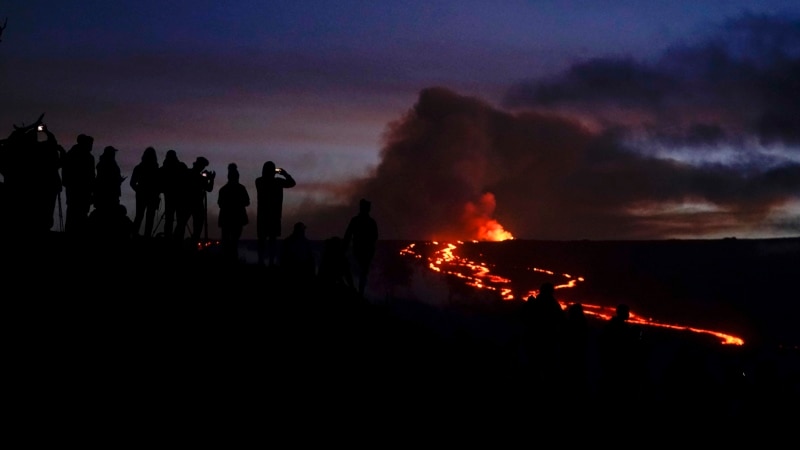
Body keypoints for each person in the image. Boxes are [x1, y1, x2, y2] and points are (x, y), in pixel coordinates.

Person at [255, 161, 295, 267]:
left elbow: (292, 184)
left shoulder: (259, 181)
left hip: (264, 215)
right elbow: (292, 183)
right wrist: (285, 174)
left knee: (263, 239)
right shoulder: (277, 182)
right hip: (273, 215)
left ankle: (262, 261)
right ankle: (270, 262)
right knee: (271, 240)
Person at [343, 198, 379, 297]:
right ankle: (359, 292)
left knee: (360, 272)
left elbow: (348, 235)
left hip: (360, 250)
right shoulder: (370, 222)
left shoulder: (357, 221)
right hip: (363, 251)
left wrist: (344, 248)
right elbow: (375, 237)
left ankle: (358, 292)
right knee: (361, 272)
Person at [174, 156, 214, 244]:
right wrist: (211, 179)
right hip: (194, 204)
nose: (203, 168)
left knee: (182, 225)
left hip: (188, 203)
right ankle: (190, 244)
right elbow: (209, 188)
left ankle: (178, 243)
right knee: (193, 227)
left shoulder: (187, 173)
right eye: (202, 166)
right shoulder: (198, 177)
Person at [62, 133, 96, 237]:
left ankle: (73, 232)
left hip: (76, 189)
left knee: (75, 211)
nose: (91, 146)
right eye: (90, 144)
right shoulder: (86, 157)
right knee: (78, 212)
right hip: (79, 190)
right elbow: (90, 176)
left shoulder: (72, 154)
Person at [217, 163, 250, 263]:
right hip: (237, 218)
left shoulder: (223, 189)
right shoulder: (241, 188)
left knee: (227, 241)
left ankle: (228, 260)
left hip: (227, 218)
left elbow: (220, 204)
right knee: (233, 241)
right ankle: (232, 260)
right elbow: (247, 202)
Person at [130, 146, 161, 238]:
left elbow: (132, 183)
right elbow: (159, 183)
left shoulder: (139, 167)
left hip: (142, 195)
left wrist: (139, 190)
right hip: (151, 195)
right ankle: (146, 236)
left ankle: (135, 235)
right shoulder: (156, 169)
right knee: (149, 216)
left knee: (139, 215)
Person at [158, 149, 187, 239]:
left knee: (169, 219)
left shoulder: (164, 168)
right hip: (180, 196)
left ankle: (168, 238)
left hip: (169, 196)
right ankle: (178, 239)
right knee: (180, 220)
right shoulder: (181, 166)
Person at [279, 221, 316, 286]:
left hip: (302, 267)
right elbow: (285, 257)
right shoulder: (289, 241)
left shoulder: (305, 242)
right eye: (302, 230)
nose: (303, 231)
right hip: (294, 268)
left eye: (303, 230)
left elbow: (310, 256)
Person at [93, 146, 125, 214]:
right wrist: (118, 180)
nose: (114, 154)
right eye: (113, 152)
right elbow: (108, 180)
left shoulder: (102, 163)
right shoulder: (110, 164)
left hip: (105, 193)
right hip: (109, 193)